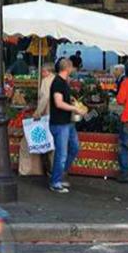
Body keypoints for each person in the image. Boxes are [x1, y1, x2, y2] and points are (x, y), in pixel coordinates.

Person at [48, 58, 81, 193]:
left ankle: (59, 175)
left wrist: (71, 100)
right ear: (67, 67)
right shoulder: (58, 83)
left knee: (74, 147)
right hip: (60, 123)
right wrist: (75, 109)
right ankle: (55, 181)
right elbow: (58, 103)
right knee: (61, 154)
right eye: (72, 67)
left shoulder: (63, 82)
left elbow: (62, 100)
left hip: (67, 122)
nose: (73, 69)